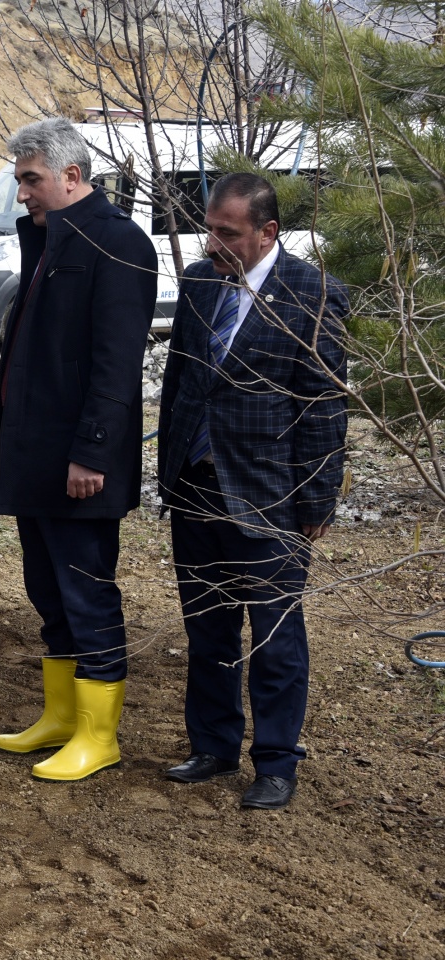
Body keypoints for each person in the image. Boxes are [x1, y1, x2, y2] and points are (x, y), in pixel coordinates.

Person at [157, 172, 349, 810]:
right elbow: (182, 381)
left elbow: (322, 407)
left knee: (273, 635)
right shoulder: (202, 281)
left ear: (268, 232)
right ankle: (213, 746)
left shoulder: (314, 294)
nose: (213, 241)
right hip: (197, 485)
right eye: (208, 227)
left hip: (268, 494)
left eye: (227, 232)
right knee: (207, 628)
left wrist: (317, 500)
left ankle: (275, 761)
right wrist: (169, 472)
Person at [0, 117, 157, 782]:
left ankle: (98, 736)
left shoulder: (120, 245)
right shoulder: (52, 238)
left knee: (87, 594)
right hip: (36, 456)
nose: (21, 193)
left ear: (72, 176)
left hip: (80, 465)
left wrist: (95, 454)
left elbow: (115, 365)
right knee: (47, 591)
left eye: (30, 179)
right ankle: (61, 716)